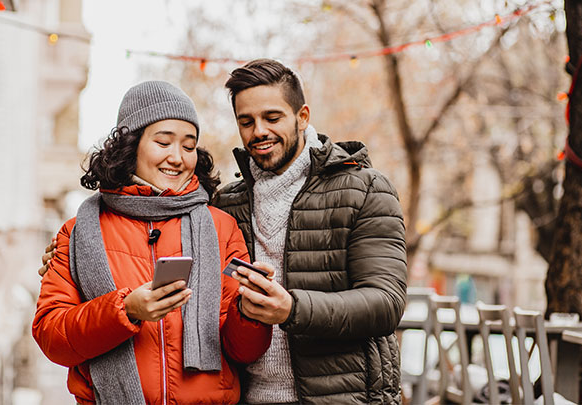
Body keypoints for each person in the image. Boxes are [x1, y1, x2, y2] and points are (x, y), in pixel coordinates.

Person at [40, 60, 407, 404]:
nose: (259, 131)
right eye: (246, 121)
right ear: (131, 145)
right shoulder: (228, 203)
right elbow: (53, 332)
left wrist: (285, 309)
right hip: (254, 396)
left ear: (302, 116)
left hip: (342, 396)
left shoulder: (361, 190)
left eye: (272, 117)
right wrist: (111, 295)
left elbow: (386, 303)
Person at [32, 81, 272, 405]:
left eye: (189, 146)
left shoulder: (220, 227)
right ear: (131, 146)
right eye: (163, 142)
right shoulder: (78, 233)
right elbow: (52, 337)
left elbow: (243, 351)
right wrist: (125, 311)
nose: (177, 157)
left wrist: (251, 312)